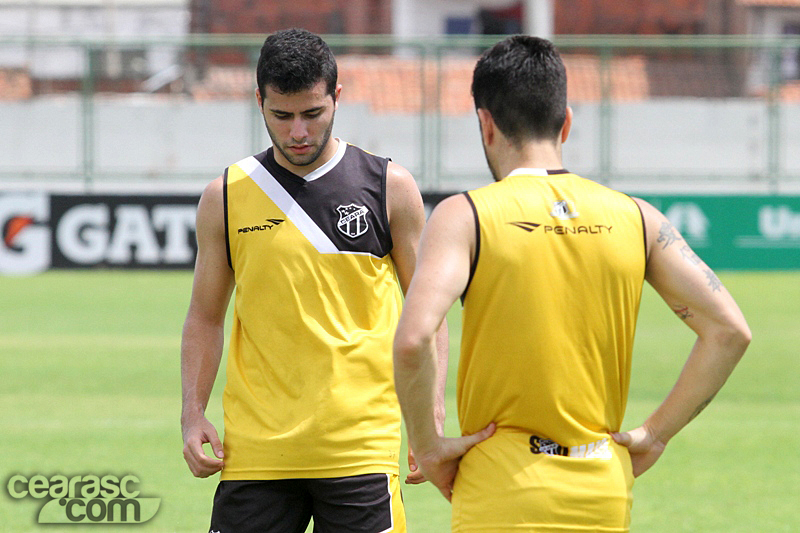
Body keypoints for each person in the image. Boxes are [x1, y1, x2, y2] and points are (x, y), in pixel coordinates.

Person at [393, 35, 751, 532]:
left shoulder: (465, 216)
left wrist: (428, 448)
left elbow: (413, 340)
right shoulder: (637, 218)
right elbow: (730, 331)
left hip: (501, 488)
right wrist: (656, 433)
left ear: (485, 122)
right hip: (602, 486)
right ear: (566, 121)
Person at [180, 28, 447, 533]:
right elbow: (205, 316)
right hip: (255, 452)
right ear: (259, 101)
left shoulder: (389, 186)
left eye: (312, 113)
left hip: (359, 449)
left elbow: (428, 314)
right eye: (281, 116)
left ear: (336, 99)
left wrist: (428, 415)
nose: (297, 132)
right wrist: (193, 414)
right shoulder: (227, 196)